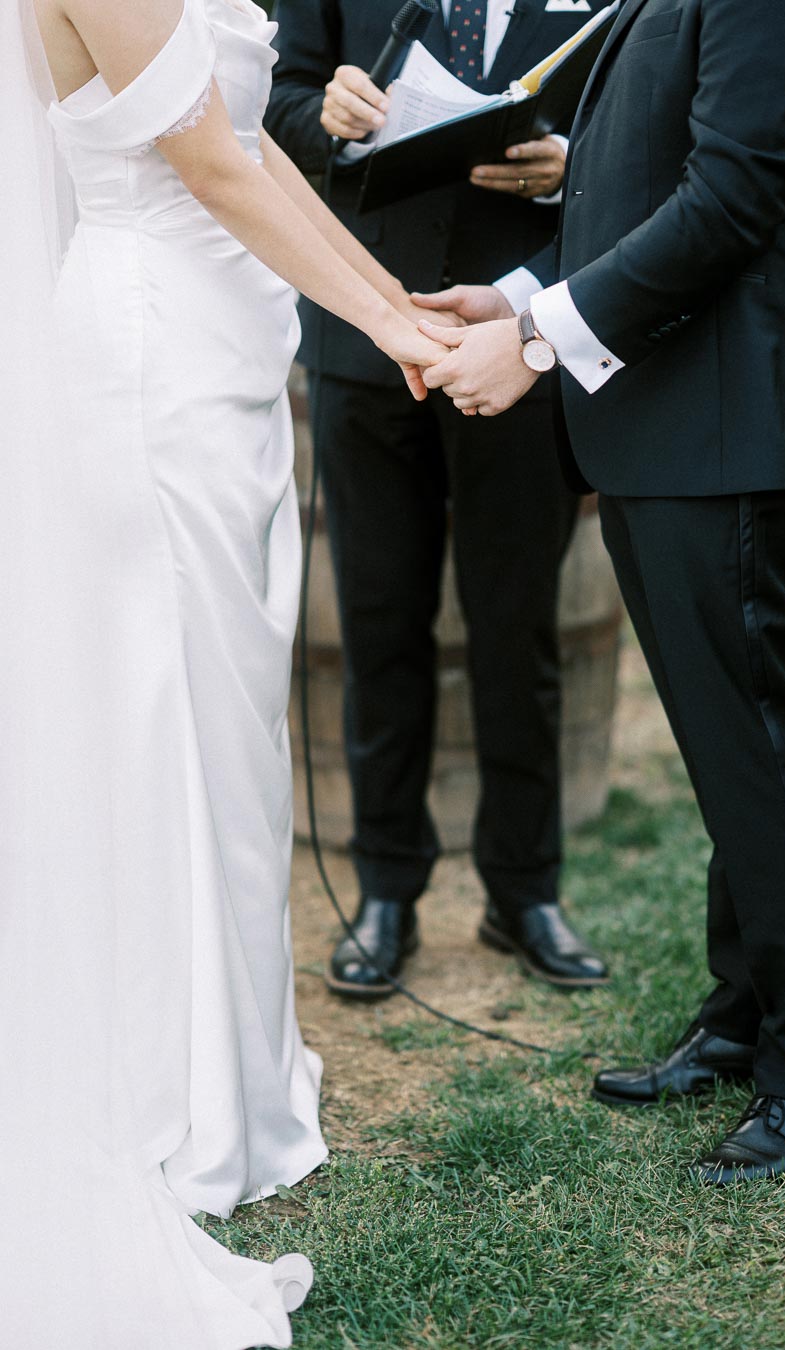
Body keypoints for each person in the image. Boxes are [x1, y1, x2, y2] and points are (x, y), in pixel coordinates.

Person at [3, 0, 446, 1343]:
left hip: (227, 361)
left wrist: (389, 302)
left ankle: (239, 1077)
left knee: (232, 735)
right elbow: (211, 168)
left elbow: (257, 141)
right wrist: (399, 330)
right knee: (162, 731)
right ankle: (167, 1101)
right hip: (147, 371)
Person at [416, 0, 785, 1182]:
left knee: (763, 742)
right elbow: (640, 180)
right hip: (683, 419)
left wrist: (534, 347)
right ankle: (750, 1016)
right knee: (728, 739)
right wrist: (527, 297)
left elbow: (734, 201)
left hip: (738, 418)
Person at [265, 0, 611, 1000]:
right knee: (380, 621)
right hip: (363, 341)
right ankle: (387, 889)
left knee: (517, 622)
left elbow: (638, 124)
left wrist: (573, 162)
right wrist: (320, 112)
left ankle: (524, 889)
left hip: (518, 342)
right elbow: (276, 106)